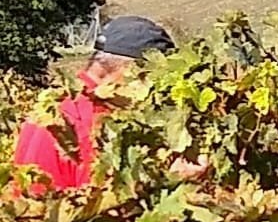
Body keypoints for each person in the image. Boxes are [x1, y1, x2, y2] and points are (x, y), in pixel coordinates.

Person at [14, 14, 174, 193]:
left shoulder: (56, 105)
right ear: (133, 71)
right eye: (155, 79)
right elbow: (107, 204)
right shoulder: (97, 122)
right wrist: (173, 179)